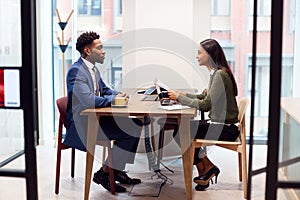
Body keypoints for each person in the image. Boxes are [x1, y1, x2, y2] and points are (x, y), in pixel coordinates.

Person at [64, 31, 143, 193]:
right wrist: (114, 101)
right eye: (100, 48)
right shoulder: (76, 71)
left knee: (136, 124)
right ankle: (106, 173)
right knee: (131, 128)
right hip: (83, 125)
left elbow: (105, 90)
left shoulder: (93, 69)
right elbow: (87, 100)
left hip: (95, 120)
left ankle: (114, 170)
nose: (104, 51)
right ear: (87, 51)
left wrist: (118, 95)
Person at [168, 39, 239, 191]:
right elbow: (205, 98)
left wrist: (179, 98)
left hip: (225, 129)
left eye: (200, 53)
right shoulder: (216, 73)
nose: (196, 56)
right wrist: (183, 94)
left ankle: (207, 168)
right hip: (221, 125)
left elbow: (206, 105)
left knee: (181, 132)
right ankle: (206, 169)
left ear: (210, 55)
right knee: (182, 130)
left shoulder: (219, 75)